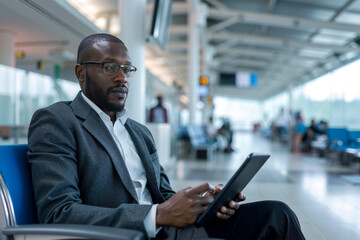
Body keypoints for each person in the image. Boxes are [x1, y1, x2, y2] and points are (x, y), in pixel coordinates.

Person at [27, 33, 305, 240]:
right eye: (110, 67)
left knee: (277, 214)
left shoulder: (138, 132)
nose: (122, 77)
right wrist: (157, 215)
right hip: (131, 234)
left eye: (127, 69)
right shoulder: (58, 121)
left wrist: (204, 203)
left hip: (173, 229)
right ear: (80, 73)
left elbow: (165, 194)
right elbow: (58, 212)